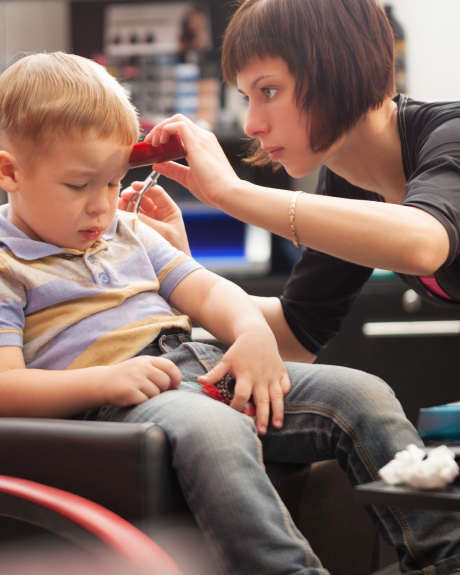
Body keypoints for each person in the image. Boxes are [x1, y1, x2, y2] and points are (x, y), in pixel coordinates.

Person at [0, 52, 460, 575]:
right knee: (216, 428)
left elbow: (209, 292)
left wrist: (250, 333)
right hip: (119, 405)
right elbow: (2, 387)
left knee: (362, 394)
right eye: (79, 185)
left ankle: (446, 558)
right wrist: (106, 381)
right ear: (11, 171)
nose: (102, 206)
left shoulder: (129, 232)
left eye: (110, 183)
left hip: (203, 368)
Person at [124, 0, 460, 369]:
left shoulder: (450, 135)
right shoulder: (349, 181)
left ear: (340, 70)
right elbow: (295, 334)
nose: (251, 124)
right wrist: (180, 272)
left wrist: (231, 193)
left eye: (268, 91)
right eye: (246, 97)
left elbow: (424, 243)